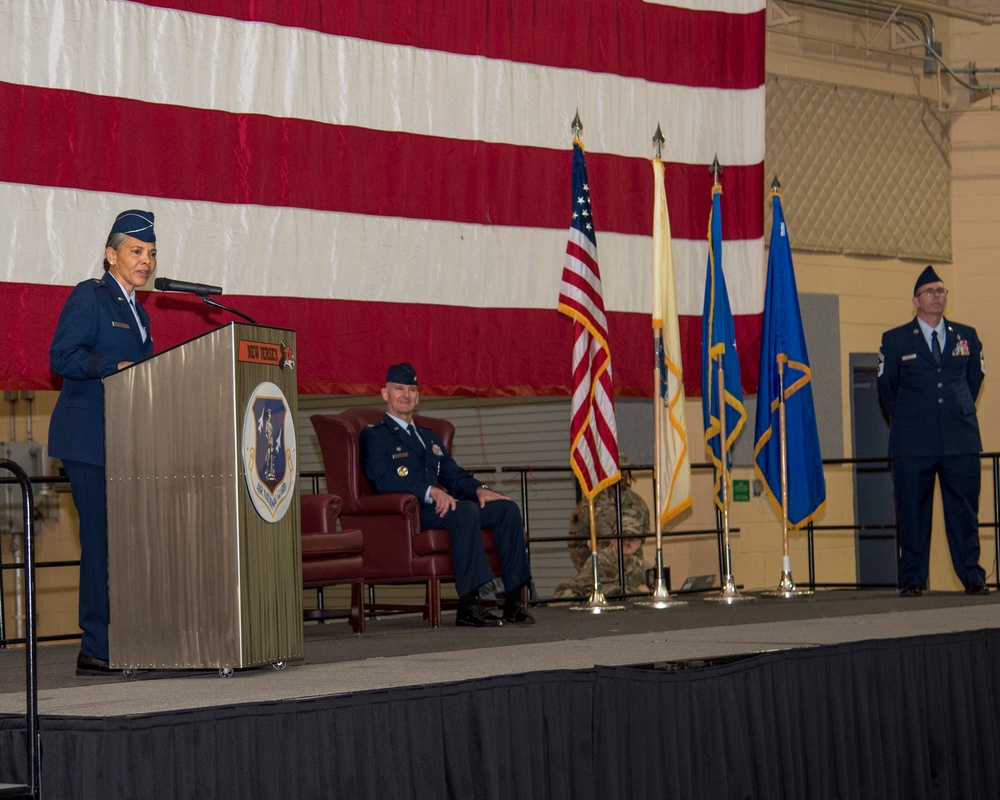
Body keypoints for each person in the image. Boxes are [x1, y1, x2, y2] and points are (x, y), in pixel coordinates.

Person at [49, 210, 157, 674]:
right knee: (100, 543)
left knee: (126, 544)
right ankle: (97, 647)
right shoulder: (89, 297)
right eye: (137, 251)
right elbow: (62, 356)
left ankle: (127, 638)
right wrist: (110, 367)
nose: (147, 261)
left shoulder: (141, 313)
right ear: (111, 255)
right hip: (89, 439)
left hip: (126, 441)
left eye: (151, 253)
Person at [360, 363, 534, 626]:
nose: (405, 395)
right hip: (412, 512)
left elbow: (452, 474)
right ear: (385, 393)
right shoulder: (375, 436)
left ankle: (513, 601)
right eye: (398, 389)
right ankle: (469, 605)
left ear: (418, 396)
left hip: (439, 507)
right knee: (465, 511)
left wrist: (480, 490)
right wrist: (430, 491)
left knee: (505, 509)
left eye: (411, 389)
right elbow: (382, 480)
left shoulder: (428, 436)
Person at [877, 265, 989, 597]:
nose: (936, 297)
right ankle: (912, 579)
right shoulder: (896, 340)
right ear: (915, 300)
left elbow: (974, 380)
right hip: (913, 442)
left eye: (941, 291)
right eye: (929, 292)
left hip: (960, 439)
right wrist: (915, 417)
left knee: (964, 513)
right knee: (912, 512)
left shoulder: (965, 336)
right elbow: (888, 390)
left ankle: (972, 575)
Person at [566, 461, 650, 571]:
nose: (621, 474)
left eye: (624, 470)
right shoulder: (591, 504)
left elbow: (641, 539)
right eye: (617, 470)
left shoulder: (639, 504)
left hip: (632, 571)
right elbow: (576, 541)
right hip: (603, 571)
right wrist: (588, 569)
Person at [555, 506, 651, 599]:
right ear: (612, 540)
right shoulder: (600, 561)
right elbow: (601, 592)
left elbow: (655, 585)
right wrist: (637, 592)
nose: (626, 541)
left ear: (639, 544)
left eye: (632, 538)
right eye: (622, 536)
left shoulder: (638, 564)